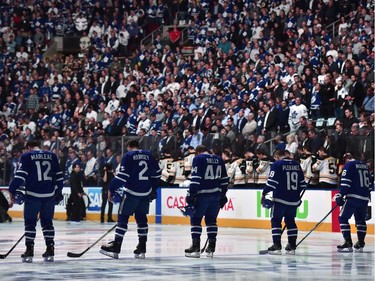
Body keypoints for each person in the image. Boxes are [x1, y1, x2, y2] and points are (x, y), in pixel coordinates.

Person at [100, 139, 161, 259]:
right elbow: (157, 175)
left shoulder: (128, 156)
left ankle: (116, 246)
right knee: (142, 219)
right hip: (144, 194)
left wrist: (111, 188)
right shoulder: (149, 155)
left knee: (123, 218)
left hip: (131, 193)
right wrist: (152, 189)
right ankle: (142, 247)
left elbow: (122, 177)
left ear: (128, 146)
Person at [9, 141, 64, 263]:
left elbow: (20, 177)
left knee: (30, 222)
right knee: (47, 223)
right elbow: (60, 178)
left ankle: (29, 249)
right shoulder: (52, 155)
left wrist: (11, 190)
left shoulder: (27, 156)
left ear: (28, 147)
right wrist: (57, 191)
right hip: (49, 196)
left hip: (33, 196)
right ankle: (50, 248)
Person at [184, 145, 229, 258]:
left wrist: (191, 194)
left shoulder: (198, 159)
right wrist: (223, 194)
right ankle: (211, 247)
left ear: (198, 152)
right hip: (216, 195)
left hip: (202, 195)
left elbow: (195, 179)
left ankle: (195, 247)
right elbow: (224, 180)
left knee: (195, 219)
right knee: (211, 220)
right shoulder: (219, 159)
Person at [261, 149, 306, 255]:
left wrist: (264, 193)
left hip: (280, 199)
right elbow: (302, 185)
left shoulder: (277, 164)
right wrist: (296, 196)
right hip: (293, 200)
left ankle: (276, 245)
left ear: (276, 156)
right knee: (290, 221)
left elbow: (271, 183)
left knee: (276, 220)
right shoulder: (296, 164)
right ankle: (292, 245)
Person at [334, 153, 372, 252]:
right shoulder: (364, 166)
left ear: (347, 159)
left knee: (342, 218)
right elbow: (370, 183)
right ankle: (360, 242)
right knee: (360, 220)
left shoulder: (349, 165)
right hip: (364, 198)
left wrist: (340, 194)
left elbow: (346, 183)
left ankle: (347, 242)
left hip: (353, 197)